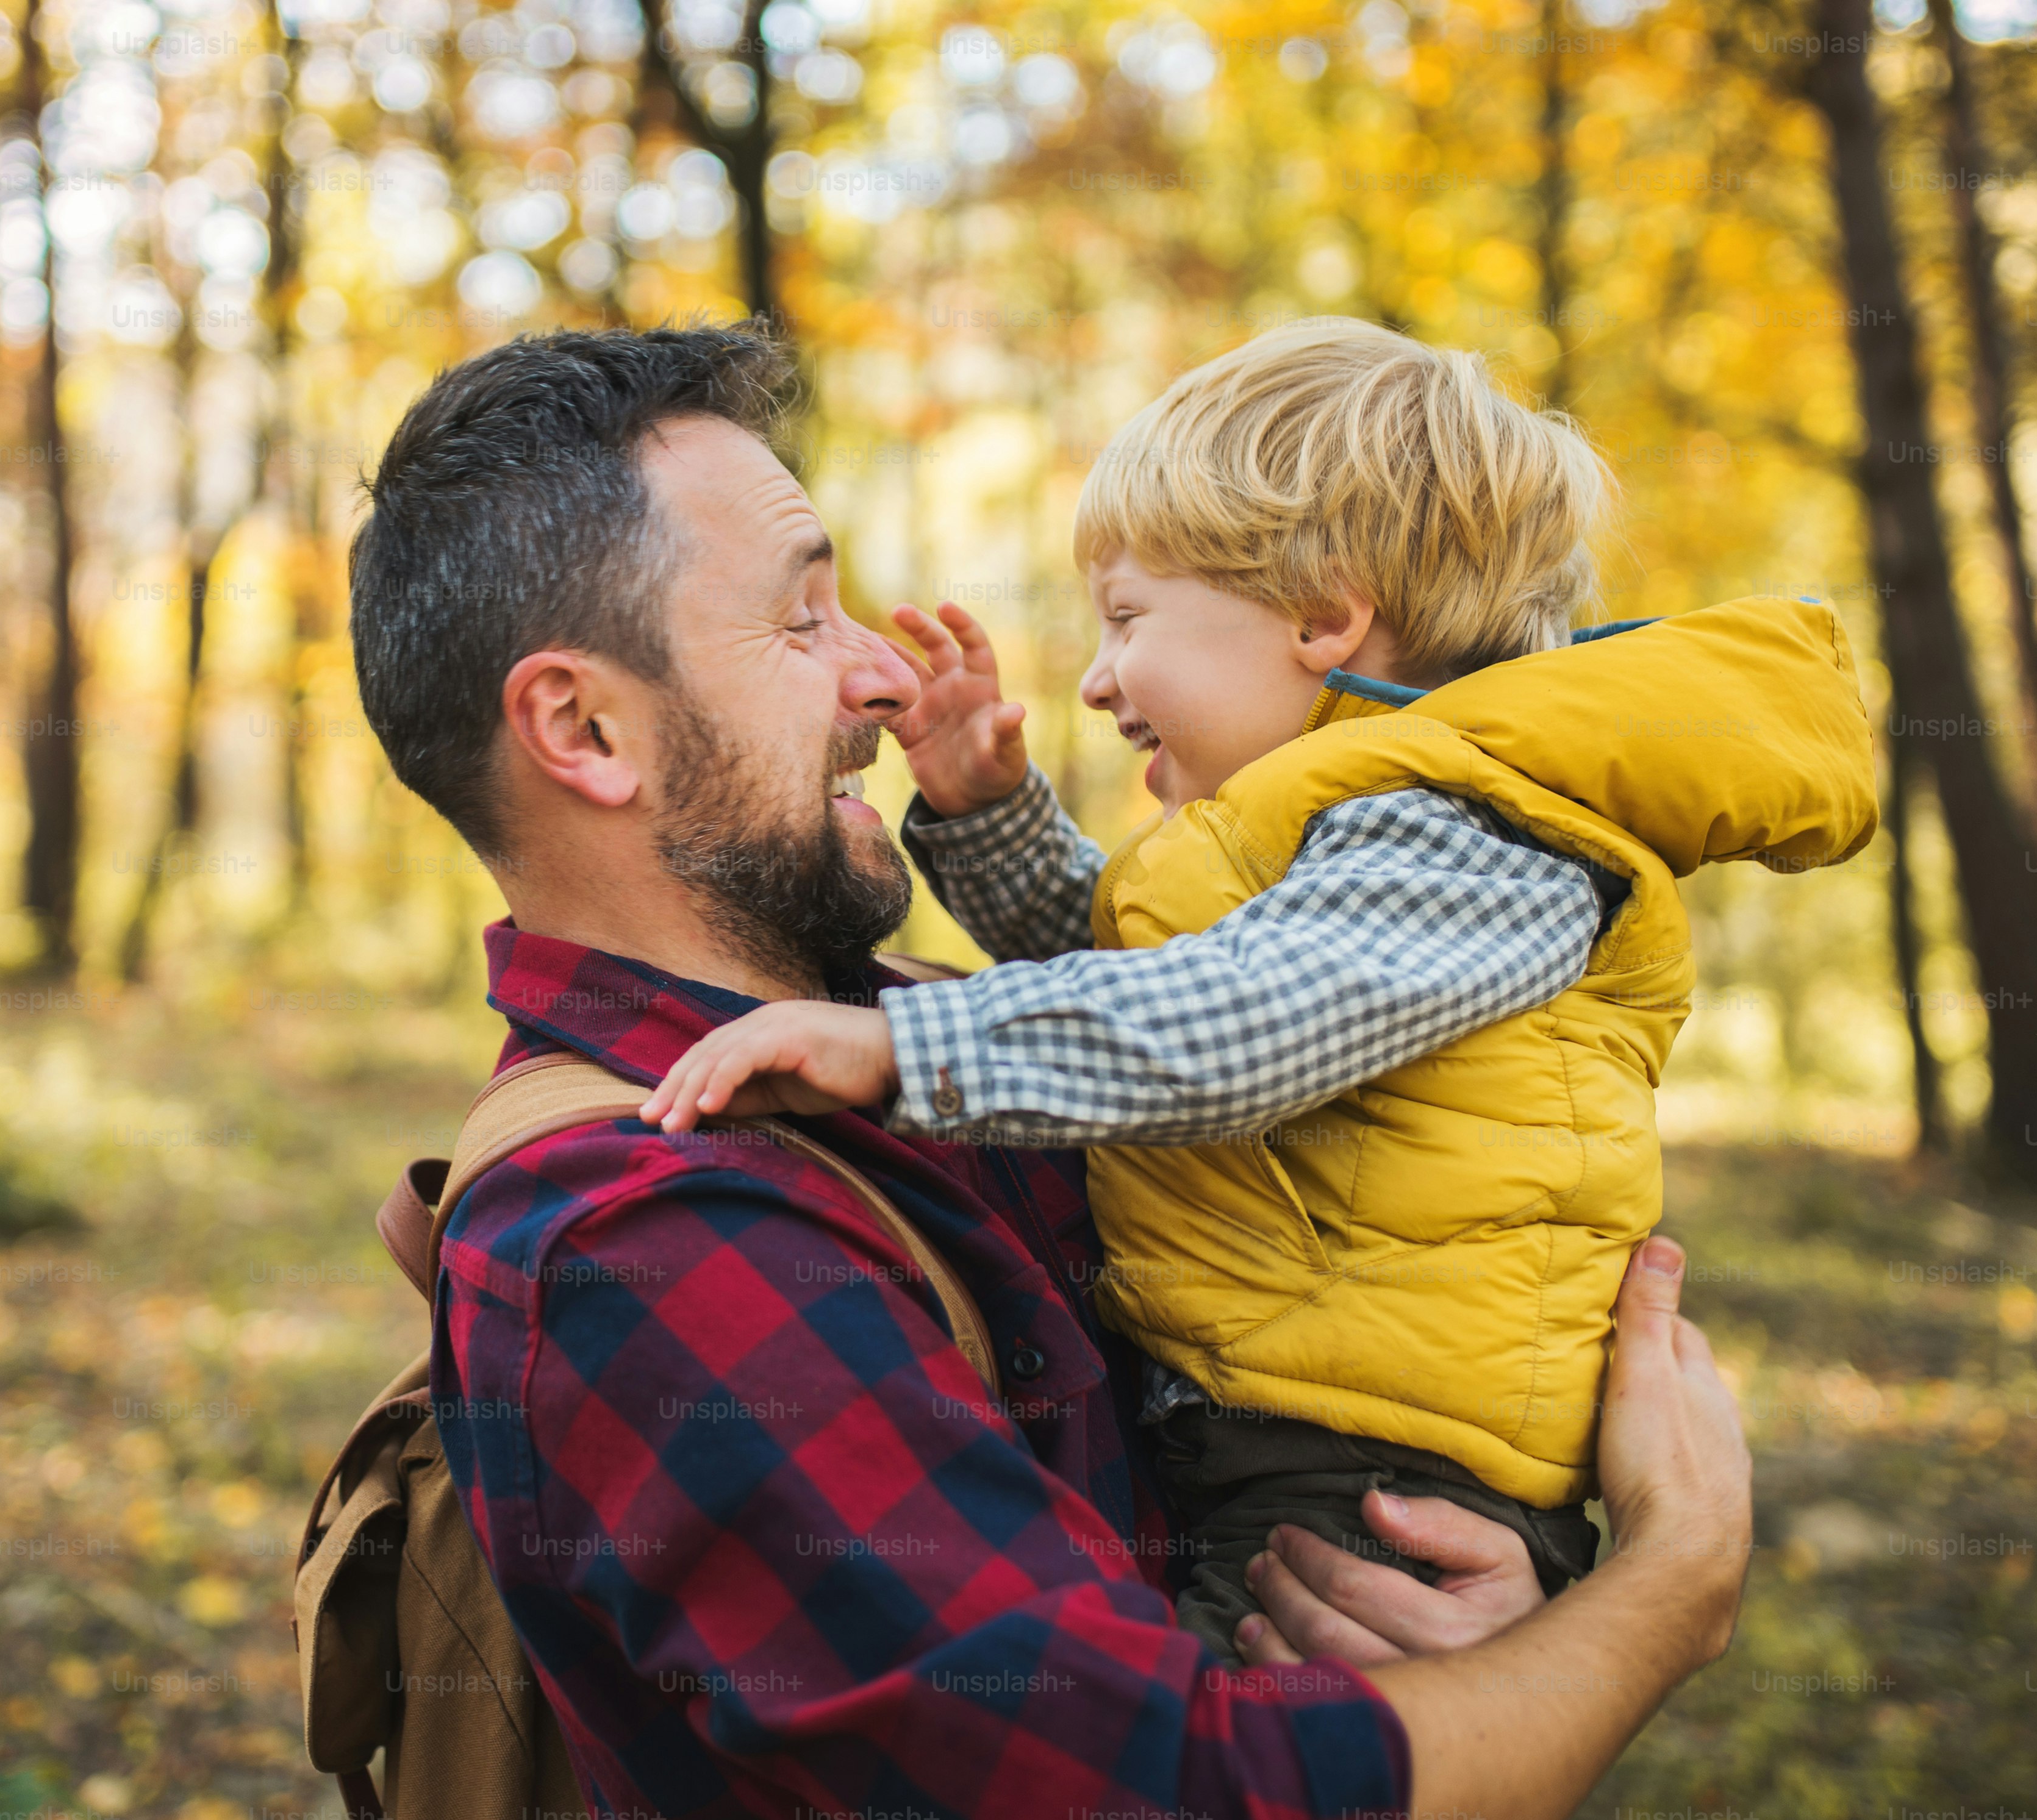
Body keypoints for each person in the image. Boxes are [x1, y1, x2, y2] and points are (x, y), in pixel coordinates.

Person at [350, 321, 1755, 1820]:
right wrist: (1668, 1588)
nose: (885, 676)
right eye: (801, 618)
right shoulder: (644, 1235)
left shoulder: (916, 1037)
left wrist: (1455, 1627)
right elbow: (1166, 1796)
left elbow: (1183, 1040)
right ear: (584, 725)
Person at [643, 318, 1872, 1657]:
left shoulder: (1474, 829)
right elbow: (1152, 981)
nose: (1099, 675)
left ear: (1321, 616)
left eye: (1127, 618)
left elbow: (1227, 1033)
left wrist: (901, 1044)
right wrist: (993, 815)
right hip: (1284, 1420)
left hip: (1376, 1480)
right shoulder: (1333, 821)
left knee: (1214, 1762)